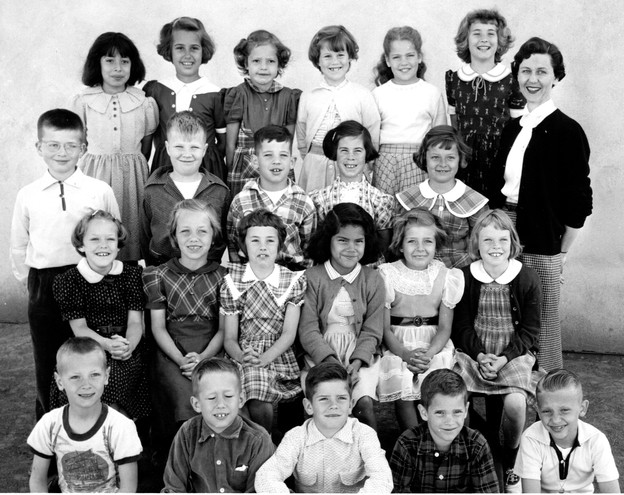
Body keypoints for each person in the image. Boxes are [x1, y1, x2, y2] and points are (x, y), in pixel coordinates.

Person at [490, 37, 593, 371]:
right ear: (517, 76)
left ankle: (547, 387)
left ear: (555, 77)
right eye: (525, 71)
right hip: (504, 231)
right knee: (503, 311)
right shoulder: (512, 128)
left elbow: (579, 200)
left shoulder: (567, 130)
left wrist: (560, 251)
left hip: (544, 236)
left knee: (543, 318)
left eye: (541, 71)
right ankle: (509, 383)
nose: (532, 79)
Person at [10, 109, 120, 420]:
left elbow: (113, 235)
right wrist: (34, 286)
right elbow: (19, 246)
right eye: (53, 145)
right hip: (45, 285)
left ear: (84, 148)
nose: (62, 152)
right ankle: (51, 429)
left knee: (91, 358)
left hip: (90, 281)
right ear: (39, 147)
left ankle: (96, 428)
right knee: (49, 361)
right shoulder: (28, 195)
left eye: (71, 145)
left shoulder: (99, 190)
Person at [452, 209, 543, 491]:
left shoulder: (526, 277)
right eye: (488, 240)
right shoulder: (466, 276)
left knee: (515, 403)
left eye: (503, 240)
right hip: (474, 353)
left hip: (513, 355)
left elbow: (530, 330)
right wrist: (480, 355)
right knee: (456, 396)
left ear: (512, 243)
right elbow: (461, 325)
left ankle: (511, 458)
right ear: (476, 243)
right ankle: (467, 453)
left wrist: (504, 358)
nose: (496, 247)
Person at [142, 199, 227, 463]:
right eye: (185, 231)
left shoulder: (225, 277)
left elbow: (224, 330)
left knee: (214, 391)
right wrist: (181, 360)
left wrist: (203, 359)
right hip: (171, 351)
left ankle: (211, 463)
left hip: (212, 349)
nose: (194, 238)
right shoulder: (157, 275)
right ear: (174, 237)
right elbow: (158, 328)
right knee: (182, 396)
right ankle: (178, 464)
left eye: (202, 231)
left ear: (213, 236)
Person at [51, 211, 149, 420]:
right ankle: (97, 429)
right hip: (88, 348)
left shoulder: (132, 275)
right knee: (102, 380)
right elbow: (79, 328)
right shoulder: (70, 280)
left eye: (110, 239)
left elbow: (135, 322)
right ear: (81, 245)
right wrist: (107, 345)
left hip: (125, 346)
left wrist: (129, 346)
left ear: (118, 245)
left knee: (135, 377)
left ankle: (126, 431)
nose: (103, 245)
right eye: (94, 239)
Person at [69, 32, 158, 262]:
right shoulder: (84, 101)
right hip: (95, 174)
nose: (118, 68)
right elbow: (79, 143)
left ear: (133, 65)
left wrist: (131, 165)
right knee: (95, 227)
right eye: (110, 61)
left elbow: (146, 146)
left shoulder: (143, 102)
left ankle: (127, 274)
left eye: (124, 61)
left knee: (130, 228)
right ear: (97, 64)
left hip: (132, 178)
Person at [298, 203, 384, 429]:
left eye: (359, 241)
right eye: (342, 240)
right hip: (321, 355)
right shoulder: (312, 277)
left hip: (360, 356)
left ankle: (370, 448)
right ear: (328, 240)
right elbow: (308, 330)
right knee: (322, 401)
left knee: (363, 403)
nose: (351, 248)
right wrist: (331, 363)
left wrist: (356, 363)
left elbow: (373, 330)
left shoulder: (373, 279)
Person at [378, 208, 464, 431]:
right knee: (403, 380)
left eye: (427, 241)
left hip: (433, 344)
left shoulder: (446, 275)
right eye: (412, 241)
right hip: (399, 344)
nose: (420, 248)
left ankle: (441, 434)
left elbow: (444, 328)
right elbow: (385, 329)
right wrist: (405, 354)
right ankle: (413, 437)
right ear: (400, 245)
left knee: (440, 381)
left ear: (436, 245)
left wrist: (429, 353)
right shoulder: (387, 274)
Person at [221, 209, 306, 433]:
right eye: (255, 240)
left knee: (258, 393)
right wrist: (243, 357)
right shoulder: (232, 281)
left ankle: (264, 442)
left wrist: (265, 358)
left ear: (279, 246)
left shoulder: (291, 281)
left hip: (278, 354)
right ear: (243, 246)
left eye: (270, 240)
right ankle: (260, 443)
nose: (262, 247)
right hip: (244, 354)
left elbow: (289, 334)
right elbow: (229, 338)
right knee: (247, 394)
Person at [255, 361, 393, 493]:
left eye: (341, 398)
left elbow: (382, 477)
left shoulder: (363, 434)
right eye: (324, 399)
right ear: (309, 406)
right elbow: (266, 475)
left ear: (350, 405)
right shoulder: (296, 437)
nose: (333, 405)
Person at [28, 337, 142, 493]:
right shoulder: (49, 424)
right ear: (59, 381)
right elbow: (37, 479)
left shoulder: (121, 427)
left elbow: (128, 488)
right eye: (75, 377)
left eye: (94, 374)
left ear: (106, 376)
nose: (86, 385)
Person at [163, 357, 274, 493]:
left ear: (241, 399)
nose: (220, 404)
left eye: (228, 396)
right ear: (197, 404)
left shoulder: (259, 440)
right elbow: (174, 488)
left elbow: (261, 490)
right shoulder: (187, 433)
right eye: (211, 398)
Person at [446, 9, 524, 196]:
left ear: (500, 40)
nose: (484, 39)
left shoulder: (511, 80)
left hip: (499, 159)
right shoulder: (455, 80)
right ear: (466, 39)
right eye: (477, 34)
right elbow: (455, 123)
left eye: (490, 34)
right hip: (464, 159)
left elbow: (517, 128)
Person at [297, 25, 381, 193]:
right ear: (318, 60)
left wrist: (365, 162)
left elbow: (372, 130)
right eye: (327, 56)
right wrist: (311, 159)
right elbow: (301, 131)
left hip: (350, 165)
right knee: (315, 204)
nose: (334, 62)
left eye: (340, 55)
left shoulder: (362, 94)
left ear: (349, 57)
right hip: (315, 164)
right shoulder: (309, 95)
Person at [141, 111, 230, 266]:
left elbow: (222, 237)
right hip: (162, 270)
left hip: (206, 272)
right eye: (179, 147)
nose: (187, 154)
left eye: (194, 147)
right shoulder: (152, 190)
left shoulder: (219, 191)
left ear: (204, 149)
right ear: (168, 148)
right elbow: (144, 236)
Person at [144, 17, 226, 181]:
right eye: (180, 48)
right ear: (169, 50)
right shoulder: (157, 90)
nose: (187, 55)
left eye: (194, 48)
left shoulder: (216, 94)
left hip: (206, 172)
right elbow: (148, 139)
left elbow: (223, 143)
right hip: (165, 168)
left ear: (203, 51)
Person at [390, 369, 499, 493]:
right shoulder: (407, 444)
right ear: (424, 412)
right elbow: (398, 491)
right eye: (440, 413)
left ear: (466, 410)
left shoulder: (477, 446)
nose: (449, 421)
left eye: (457, 412)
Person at [396, 125, 488, 269]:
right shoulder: (406, 199)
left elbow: (481, 246)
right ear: (424, 158)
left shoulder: (475, 202)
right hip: (415, 271)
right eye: (435, 157)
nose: (442, 164)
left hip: (459, 273)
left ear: (460, 159)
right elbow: (397, 244)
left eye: (450, 157)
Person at [515, 369, 620, 493]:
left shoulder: (596, 440)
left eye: (564, 410)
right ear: (538, 410)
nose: (555, 420)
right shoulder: (531, 438)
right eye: (547, 411)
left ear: (582, 408)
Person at [226, 125, 316, 271]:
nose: (276, 161)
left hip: (291, 277)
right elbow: (234, 245)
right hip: (251, 276)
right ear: (255, 161)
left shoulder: (304, 203)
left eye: (283, 155)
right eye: (268, 155)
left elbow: (309, 249)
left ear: (292, 162)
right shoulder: (240, 201)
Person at [223, 30, 300, 198]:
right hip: (243, 170)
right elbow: (230, 145)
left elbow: (288, 144)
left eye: (270, 61)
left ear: (279, 65)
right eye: (256, 61)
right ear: (246, 63)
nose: (263, 67)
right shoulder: (238, 94)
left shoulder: (288, 97)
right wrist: (231, 170)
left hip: (276, 166)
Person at [372, 26, 447, 195]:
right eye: (396, 57)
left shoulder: (432, 93)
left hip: (420, 161)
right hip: (385, 162)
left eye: (410, 55)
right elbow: (372, 139)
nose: (403, 62)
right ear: (388, 60)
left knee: (417, 208)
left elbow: (440, 137)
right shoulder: (378, 94)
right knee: (386, 208)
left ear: (419, 57)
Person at [309, 120, 394, 258]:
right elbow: (316, 245)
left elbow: (382, 250)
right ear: (335, 153)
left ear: (366, 154)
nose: (350, 157)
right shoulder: (319, 199)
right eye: (344, 150)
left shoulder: (381, 200)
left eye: (357, 151)